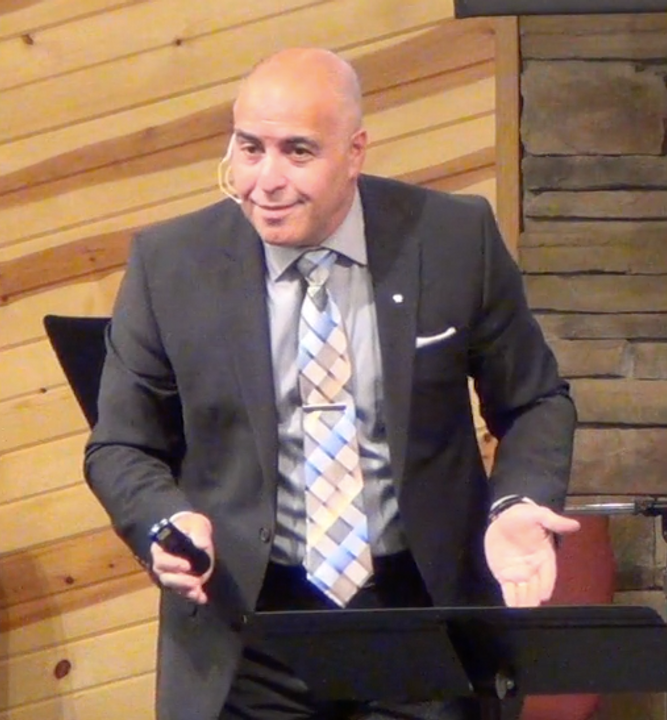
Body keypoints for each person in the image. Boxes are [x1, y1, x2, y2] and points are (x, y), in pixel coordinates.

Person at [84, 47, 580, 720]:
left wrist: (516, 502)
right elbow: (121, 444)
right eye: (249, 148)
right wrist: (163, 521)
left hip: (422, 623)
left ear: (355, 152)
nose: (266, 180)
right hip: (247, 632)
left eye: (298, 151)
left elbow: (534, 401)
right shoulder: (169, 263)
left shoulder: (454, 238)